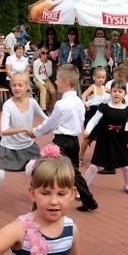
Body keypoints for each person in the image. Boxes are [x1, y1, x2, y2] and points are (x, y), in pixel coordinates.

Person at [29, 64, 98, 212]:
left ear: (65, 82)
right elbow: (81, 122)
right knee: (74, 173)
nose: (55, 81)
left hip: (61, 142)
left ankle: (37, 207)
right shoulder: (79, 102)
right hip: (74, 141)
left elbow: (49, 124)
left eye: (58, 79)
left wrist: (35, 132)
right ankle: (89, 201)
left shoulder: (61, 105)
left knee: (42, 168)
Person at [0, 73, 47, 215]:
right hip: (9, 147)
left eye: (20, 85)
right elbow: (4, 130)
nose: (16, 88)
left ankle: (38, 203)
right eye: (14, 85)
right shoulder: (8, 105)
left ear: (27, 86)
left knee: (39, 174)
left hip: (28, 146)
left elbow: (46, 119)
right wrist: (24, 129)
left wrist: (58, 122)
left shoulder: (33, 103)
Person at [82, 79, 128, 195]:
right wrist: (88, 130)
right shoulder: (104, 107)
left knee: (126, 167)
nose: (116, 93)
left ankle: (127, 185)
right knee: (94, 166)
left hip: (119, 141)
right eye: (114, 91)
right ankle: (83, 189)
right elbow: (94, 120)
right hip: (104, 141)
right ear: (110, 92)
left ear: (124, 94)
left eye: (120, 91)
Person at [32, 47, 56, 111]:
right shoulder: (36, 62)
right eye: (43, 53)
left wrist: (46, 64)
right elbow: (36, 75)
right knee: (43, 90)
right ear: (40, 54)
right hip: (38, 80)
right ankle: (43, 108)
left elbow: (50, 74)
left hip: (46, 79)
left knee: (53, 91)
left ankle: (51, 105)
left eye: (47, 53)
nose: (45, 55)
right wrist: (43, 83)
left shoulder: (49, 62)